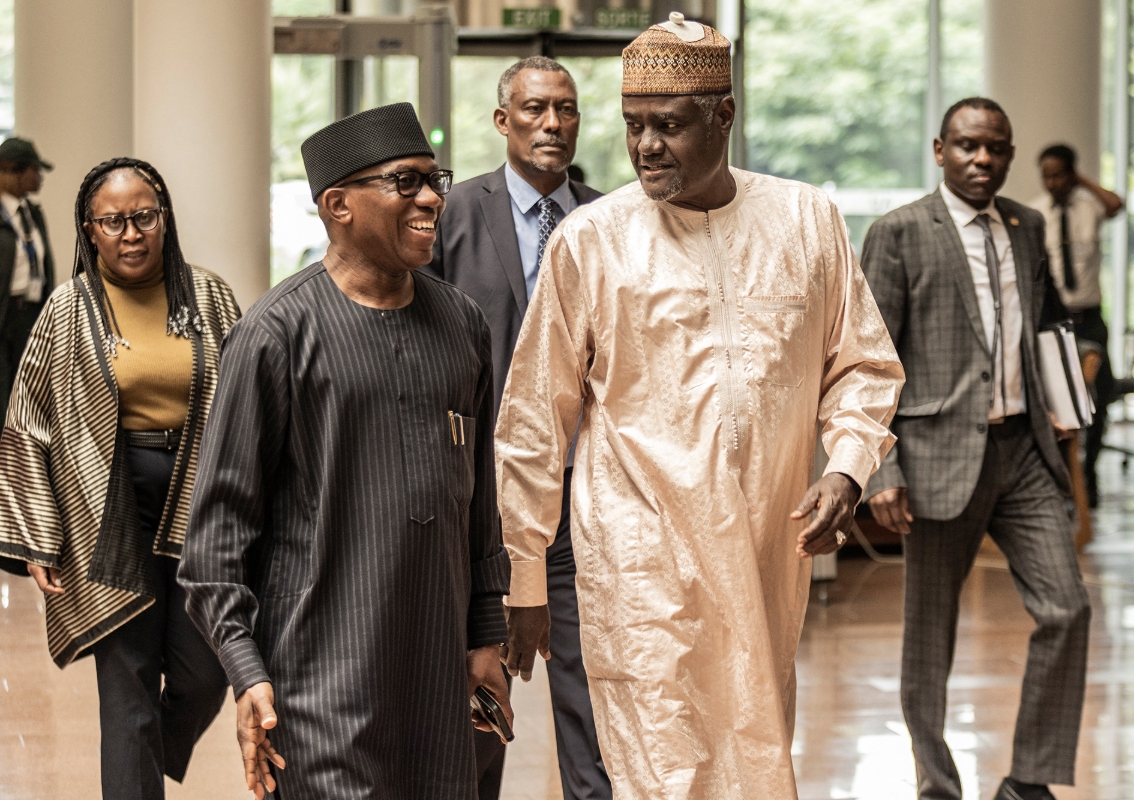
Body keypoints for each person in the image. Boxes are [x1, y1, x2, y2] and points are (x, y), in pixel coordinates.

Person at [496, 15, 904, 799]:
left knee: (754, 754)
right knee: (662, 763)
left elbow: (861, 365)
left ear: (724, 116)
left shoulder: (804, 220)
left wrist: (847, 468)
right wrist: (524, 581)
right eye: (634, 126)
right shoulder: (591, 240)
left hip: (762, 556)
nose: (647, 146)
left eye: (670, 126)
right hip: (635, 557)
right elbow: (532, 425)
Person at [178, 102, 513, 800]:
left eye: (435, 178)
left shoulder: (461, 324)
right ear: (338, 205)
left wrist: (486, 634)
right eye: (405, 182)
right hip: (319, 683)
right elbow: (214, 539)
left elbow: (479, 495)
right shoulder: (275, 335)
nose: (431, 198)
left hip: (438, 682)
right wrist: (247, 670)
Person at [861, 99, 1092, 800]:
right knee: (930, 635)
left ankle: (1027, 780)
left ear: (1010, 154)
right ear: (939, 149)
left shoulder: (1027, 225)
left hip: (1023, 453)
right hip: (935, 458)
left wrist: (1067, 402)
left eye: (995, 148)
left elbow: (1046, 323)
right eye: (967, 146)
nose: (982, 160)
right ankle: (937, 782)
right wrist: (883, 466)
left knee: (1067, 608)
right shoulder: (898, 233)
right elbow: (870, 361)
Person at [0, 157, 241, 799]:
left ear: (164, 220)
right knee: (127, 678)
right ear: (90, 229)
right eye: (114, 222)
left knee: (208, 666)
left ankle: (148, 746)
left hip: (199, 495)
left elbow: (249, 402)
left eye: (144, 217)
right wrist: (38, 536)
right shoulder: (66, 309)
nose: (131, 233)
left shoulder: (210, 296)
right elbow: (28, 422)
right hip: (105, 503)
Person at [424, 56, 609, 800]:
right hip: (482, 496)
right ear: (503, 121)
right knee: (479, 678)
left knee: (590, 689)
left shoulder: (608, 220)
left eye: (565, 109)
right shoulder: (451, 214)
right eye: (534, 109)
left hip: (582, 494)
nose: (552, 124)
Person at [1029, 143, 1124, 506]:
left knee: (1101, 397)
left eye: (1059, 174)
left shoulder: (1090, 206)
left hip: (1090, 319)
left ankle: (1090, 474)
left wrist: (1082, 181)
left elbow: (1116, 204)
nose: (1052, 182)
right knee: (1056, 401)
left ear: (1072, 174)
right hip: (1053, 320)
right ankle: (1058, 480)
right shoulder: (1035, 212)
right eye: (1047, 175)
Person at [0, 136, 55, 421]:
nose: (41, 176)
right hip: (4, 316)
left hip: (32, 315)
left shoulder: (33, 214)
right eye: (36, 169)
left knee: (29, 394)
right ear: (14, 171)